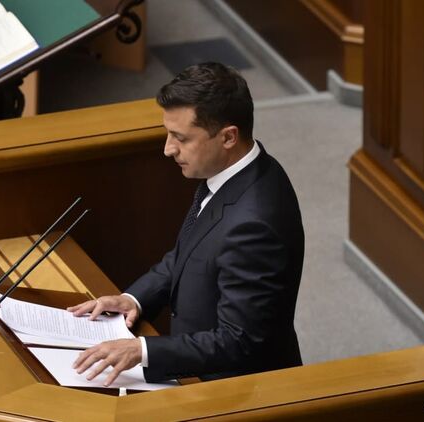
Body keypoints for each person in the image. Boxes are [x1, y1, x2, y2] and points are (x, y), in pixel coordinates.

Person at [68, 62, 305, 385]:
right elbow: (190, 254)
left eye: (181, 138)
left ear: (228, 137)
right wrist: (135, 299)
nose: (168, 149)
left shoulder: (255, 224)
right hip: (200, 370)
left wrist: (143, 350)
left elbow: (239, 341)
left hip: (234, 390)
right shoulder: (234, 171)